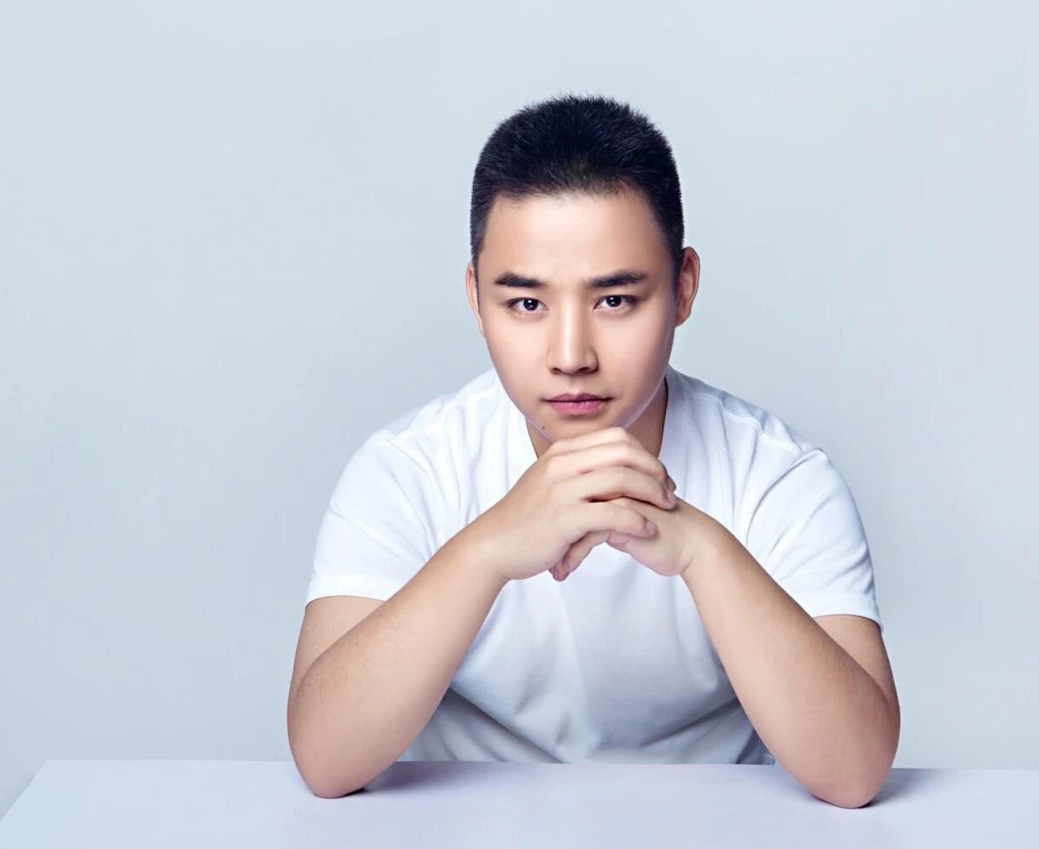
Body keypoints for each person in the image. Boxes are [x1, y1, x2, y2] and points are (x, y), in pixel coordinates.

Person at [286, 94, 900, 808]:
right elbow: (325, 759)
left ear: (684, 288)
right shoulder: (408, 469)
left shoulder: (780, 476)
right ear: (476, 297)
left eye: (614, 301)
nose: (571, 355)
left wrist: (703, 550)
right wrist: (487, 550)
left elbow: (855, 772)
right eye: (527, 304)